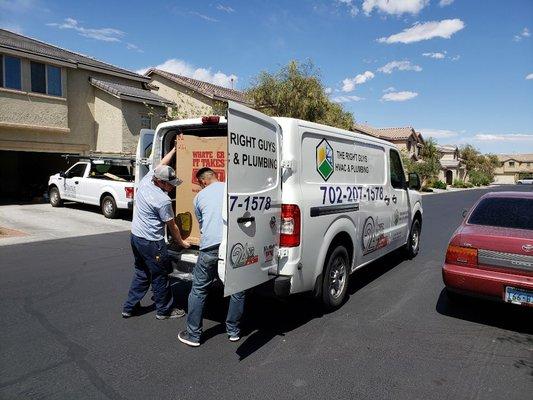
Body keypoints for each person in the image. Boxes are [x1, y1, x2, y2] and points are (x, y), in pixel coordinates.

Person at [122, 141, 190, 320]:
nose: (172, 186)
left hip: (136, 237)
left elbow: (162, 165)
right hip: (152, 243)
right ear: (160, 182)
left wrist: (174, 150)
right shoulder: (162, 200)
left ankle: (129, 308)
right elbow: (172, 225)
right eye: (170, 184)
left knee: (141, 272)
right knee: (160, 275)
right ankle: (164, 311)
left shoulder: (147, 180)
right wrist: (182, 242)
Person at [178, 168, 245, 347]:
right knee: (237, 289)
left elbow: (202, 223)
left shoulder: (199, 197)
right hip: (231, 245)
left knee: (199, 289)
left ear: (203, 181)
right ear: (216, 177)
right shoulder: (232, 189)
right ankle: (233, 331)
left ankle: (193, 335)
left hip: (209, 248)